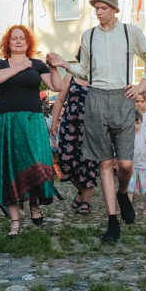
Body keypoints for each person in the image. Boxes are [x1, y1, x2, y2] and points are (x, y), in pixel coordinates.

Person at [47, 0, 146, 241]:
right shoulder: (90, 35)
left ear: (114, 9)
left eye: (104, 8)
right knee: (105, 163)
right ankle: (112, 222)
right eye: (96, 7)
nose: (99, 11)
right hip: (96, 98)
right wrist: (65, 64)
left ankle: (122, 194)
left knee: (126, 164)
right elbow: (84, 69)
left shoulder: (131, 33)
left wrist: (141, 85)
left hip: (123, 98)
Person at [0, 24, 63, 239]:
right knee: (11, 166)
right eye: (14, 38)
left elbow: (57, 87)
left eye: (22, 38)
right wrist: (21, 66)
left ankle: (35, 203)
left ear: (28, 43)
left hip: (33, 119)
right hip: (8, 120)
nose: (18, 41)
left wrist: (53, 66)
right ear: (8, 43)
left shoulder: (37, 65)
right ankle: (15, 222)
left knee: (36, 162)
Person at [51, 49, 100, 216]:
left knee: (88, 164)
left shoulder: (99, 78)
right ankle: (81, 191)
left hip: (92, 128)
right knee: (65, 161)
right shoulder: (70, 75)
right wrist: (54, 122)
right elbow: (59, 99)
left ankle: (86, 201)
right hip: (69, 126)